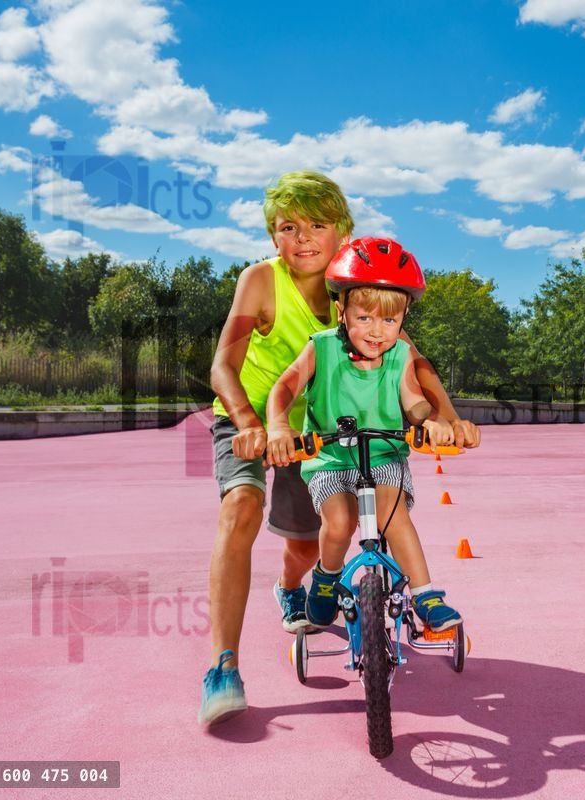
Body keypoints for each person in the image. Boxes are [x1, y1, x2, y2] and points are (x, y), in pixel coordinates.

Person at [200, 172, 478, 727]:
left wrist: (446, 419)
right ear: (272, 235)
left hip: (328, 432)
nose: (302, 238)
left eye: (317, 225)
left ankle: (290, 587)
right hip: (257, 421)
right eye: (287, 227)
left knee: (313, 545)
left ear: (342, 231)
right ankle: (222, 667)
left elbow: (413, 362)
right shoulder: (261, 280)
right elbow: (221, 366)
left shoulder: (359, 284)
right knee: (241, 510)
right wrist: (259, 425)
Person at [263, 237, 464, 633]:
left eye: (390, 321)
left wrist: (431, 422)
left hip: (385, 457)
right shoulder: (320, 349)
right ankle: (325, 579)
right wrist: (279, 425)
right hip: (331, 459)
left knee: (394, 517)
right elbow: (283, 389)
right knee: (338, 523)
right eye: (365, 318)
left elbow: (415, 402)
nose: (377, 331)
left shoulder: (400, 356)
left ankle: (425, 594)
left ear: (403, 320)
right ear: (342, 311)